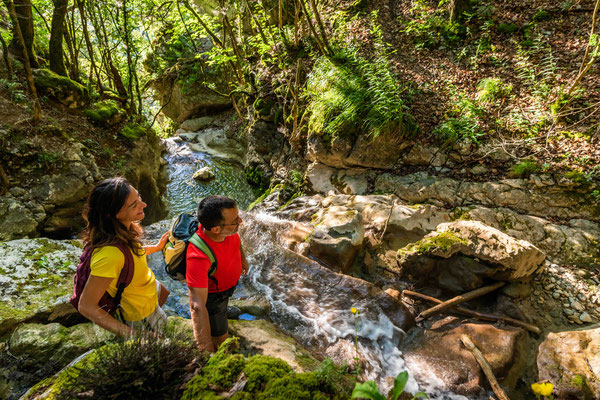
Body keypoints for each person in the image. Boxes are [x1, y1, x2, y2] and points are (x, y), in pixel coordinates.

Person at [78, 177, 171, 336]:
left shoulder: (122, 230)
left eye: (139, 197)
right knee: (162, 342)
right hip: (139, 313)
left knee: (164, 292)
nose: (144, 205)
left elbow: (130, 255)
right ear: (114, 214)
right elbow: (86, 306)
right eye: (134, 204)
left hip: (143, 291)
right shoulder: (109, 254)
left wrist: (155, 248)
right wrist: (134, 335)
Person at [186, 195, 249, 352]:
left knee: (222, 307)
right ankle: (218, 338)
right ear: (215, 229)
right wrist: (205, 348)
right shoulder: (198, 256)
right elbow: (197, 305)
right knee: (221, 342)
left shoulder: (228, 230)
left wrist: (243, 259)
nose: (240, 222)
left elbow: (237, 241)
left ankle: (224, 311)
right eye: (235, 221)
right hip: (213, 297)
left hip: (225, 289)